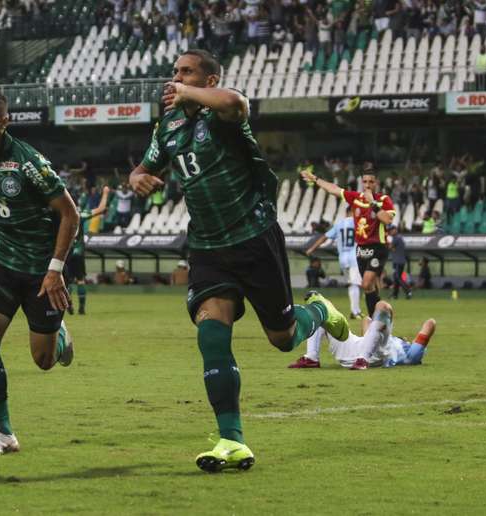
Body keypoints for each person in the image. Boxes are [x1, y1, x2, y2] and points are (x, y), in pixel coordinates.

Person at [129, 49, 349, 473]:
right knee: (211, 333)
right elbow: (143, 165)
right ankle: (232, 439)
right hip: (209, 246)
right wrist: (139, 177)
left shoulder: (222, 114)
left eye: (187, 73)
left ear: (208, 81)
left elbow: (236, 103)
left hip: (254, 238)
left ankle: (319, 310)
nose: (174, 80)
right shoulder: (168, 125)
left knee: (283, 337)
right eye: (174, 73)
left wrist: (188, 92)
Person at [0, 89, 80, 457]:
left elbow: (70, 215)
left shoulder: (28, 162)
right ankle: (3, 434)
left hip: (42, 270)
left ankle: (59, 338)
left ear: (3, 122)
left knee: (43, 361)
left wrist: (55, 270)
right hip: (2, 262)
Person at [301, 162, 395, 318]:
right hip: (360, 249)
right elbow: (334, 189)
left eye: (371, 182)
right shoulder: (355, 198)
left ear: (376, 183)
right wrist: (315, 179)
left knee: (365, 283)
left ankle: (376, 320)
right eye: (365, 182)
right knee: (369, 287)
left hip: (378, 247)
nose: (368, 185)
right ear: (361, 182)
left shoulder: (383, 199)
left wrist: (372, 202)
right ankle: (378, 320)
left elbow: (387, 220)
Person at [289, 299, 435, 370]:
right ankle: (311, 358)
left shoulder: (410, 355)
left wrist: (388, 324)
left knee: (383, 306)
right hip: (354, 351)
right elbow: (367, 322)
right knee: (323, 311)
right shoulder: (386, 339)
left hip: (375, 356)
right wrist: (384, 327)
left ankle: (362, 361)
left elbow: (431, 323)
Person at [305, 206, 363, 319]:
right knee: (354, 284)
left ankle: (356, 310)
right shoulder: (358, 223)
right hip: (354, 257)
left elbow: (325, 237)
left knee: (351, 284)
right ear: (351, 212)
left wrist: (312, 248)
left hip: (342, 258)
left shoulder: (339, 224)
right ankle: (355, 311)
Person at [66, 186, 110, 315]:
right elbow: (101, 209)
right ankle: (82, 308)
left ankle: (69, 304)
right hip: (79, 252)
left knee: (67, 282)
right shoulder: (80, 215)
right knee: (80, 280)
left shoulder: (61, 216)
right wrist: (106, 193)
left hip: (67, 252)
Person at [388, 224, 412, 299]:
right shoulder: (399, 237)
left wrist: (388, 244)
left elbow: (390, 247)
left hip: (399, 261)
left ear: (395, 229)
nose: (391, 232)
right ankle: (395, 295)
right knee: (396, 278)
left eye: (392, 230)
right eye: (390, 230)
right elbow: (393, 248)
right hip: (398, 261)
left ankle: (408, 291)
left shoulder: (396, 237)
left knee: (398, 277)